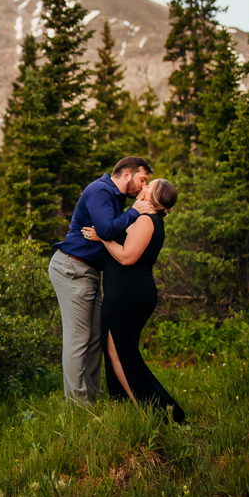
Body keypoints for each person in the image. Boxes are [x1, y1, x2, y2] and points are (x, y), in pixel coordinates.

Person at [48, 157, 155, 402]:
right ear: (127, 174)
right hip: (72, 268)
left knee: (96, 337)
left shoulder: (116, 197)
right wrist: (134, 211)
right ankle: (78, 405)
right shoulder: (101, 191)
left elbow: (112, 231)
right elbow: (107, 230)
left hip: (89, 272)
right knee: (78, 338)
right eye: (142, 179)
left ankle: (93, 397)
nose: (142, 186)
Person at [82, 178, 185, 423]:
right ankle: (139, 407)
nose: (143, 187)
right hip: (127, 294)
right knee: (121, 352)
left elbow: (127, 257)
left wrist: (103, 238)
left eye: (148, 186)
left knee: (120, 354)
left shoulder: (148, 221)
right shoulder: (144, 219)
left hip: (128, 296)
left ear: (154, 197)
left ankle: (156, 413)